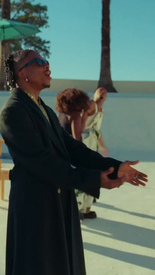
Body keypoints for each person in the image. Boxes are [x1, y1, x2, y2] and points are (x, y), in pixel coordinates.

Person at [0, 49, 148, 275]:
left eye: (46, 60)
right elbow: (43, 162)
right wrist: (92, 180)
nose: (46, 65)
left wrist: (114, 166)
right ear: (22, 74)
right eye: (38, 62)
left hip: (57, 204)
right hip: (36, 209)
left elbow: (71, 148)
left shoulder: (43, 109)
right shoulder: (13, 112)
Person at [55, 88, 98, 219]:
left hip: (60, 152)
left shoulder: (62, 114)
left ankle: (76, 209)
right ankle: (78, 209)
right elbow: (77, 136)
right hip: (70, 154)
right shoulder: (75, 115)